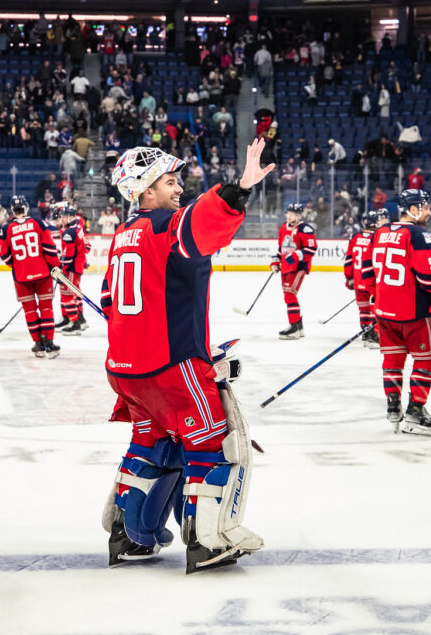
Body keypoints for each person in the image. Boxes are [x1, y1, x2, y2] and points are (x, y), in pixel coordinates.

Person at [100, 139, 271, 572]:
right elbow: (201, 222)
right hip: (171, 366)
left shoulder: (122, 236)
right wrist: (240, 189)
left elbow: (110, 301)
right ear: (144, 190)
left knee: (150, 442)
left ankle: (129, 536)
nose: (179, 189)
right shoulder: (164, 225)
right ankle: (207, 540)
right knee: (212, 443)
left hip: (126, 370)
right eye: (170, 181)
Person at [362, 188, 431, 435]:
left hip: (384, 312)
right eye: (425, 206)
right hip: (415, 313)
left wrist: (379, 295)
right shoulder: (420, 235)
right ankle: (416, 410)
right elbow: (428, 279)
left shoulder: (379, 233)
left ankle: (393, 405)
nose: (429, 211)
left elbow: (367, 275)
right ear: (412, 209)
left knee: (392, 360)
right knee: (427, 358)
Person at [0, 195, 62, 358]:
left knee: (30, 311)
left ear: (12, 210)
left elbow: (5, 257)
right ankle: (49, 343)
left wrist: (19, 265)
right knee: (46, 308)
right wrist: (56, 266)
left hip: (21, 278)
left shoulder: (5, 229)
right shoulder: (38, 223)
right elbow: (49, 247)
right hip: (43, 274)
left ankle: (38, 344)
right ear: (26, 208)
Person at [270, 202, 318, 339]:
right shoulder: (282, 229)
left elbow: (311, 249)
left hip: (299, 267)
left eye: (294, 214)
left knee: (290, 294)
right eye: (289, 213)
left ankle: (294, 327)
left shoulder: (305, 229)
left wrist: (297, 255)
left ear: (299, 216)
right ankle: (298, 326)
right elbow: (281, 249)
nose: (290, 216)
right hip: (285, 267)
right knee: (288, 295)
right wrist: (276, 262)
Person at [344, 208, 386, 349]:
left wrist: (349, 277)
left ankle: (366, 333)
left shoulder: (355, 238)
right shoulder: (378, 238)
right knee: (375, 308)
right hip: (371, 281)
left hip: (357, 281)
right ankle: (374, 335)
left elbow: (348, 260)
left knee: (363, 310)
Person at [57, 202, 90, 335]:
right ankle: (78, 319)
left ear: (71, 217)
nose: (62, 218)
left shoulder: (69, 232)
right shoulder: (77, 228)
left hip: (72, 268)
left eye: (64, 216)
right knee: (74, 293)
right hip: (77, 267)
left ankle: (74, 322)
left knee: (66, 295)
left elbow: (69, 257)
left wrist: (61, 269)